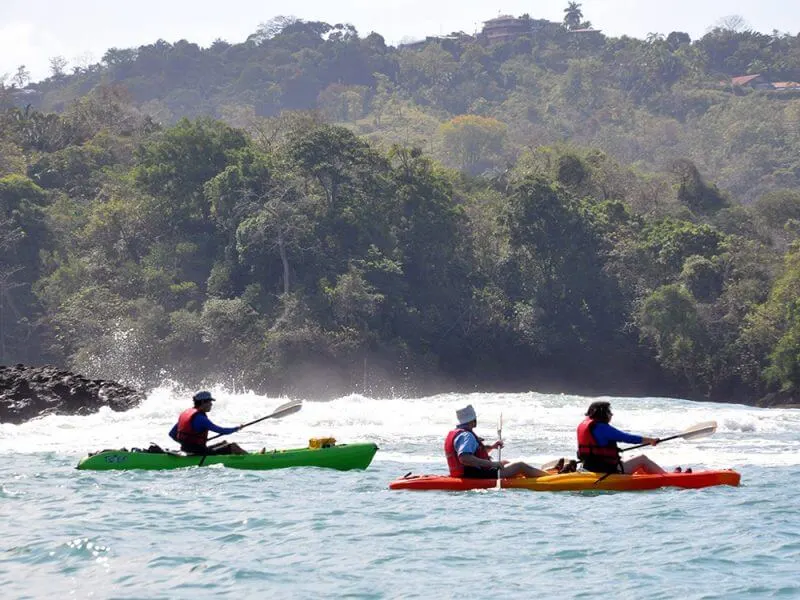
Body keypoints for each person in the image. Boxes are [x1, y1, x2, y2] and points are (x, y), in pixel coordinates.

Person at [577, 401, 683, 475]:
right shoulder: (602, 428)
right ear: (603, 414)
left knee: (632, 456)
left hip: (589, 467)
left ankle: (649, 474)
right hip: (606, 470)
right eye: (609, 412)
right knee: (642, 458)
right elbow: (627, 438)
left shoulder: (585, 426)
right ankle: (667, 477)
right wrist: (651, 440)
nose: (612, 414)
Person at [445, 404, 548, 479]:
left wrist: (492, 447)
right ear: (473, 420)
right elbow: (465, 458)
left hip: (468, 473)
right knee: (520, 465)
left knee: (505, 463)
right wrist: (493, 464)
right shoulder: (466, 436)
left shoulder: (460, 434)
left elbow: (474, 453)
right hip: (474, 474)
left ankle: (533, 474)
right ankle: (547, 477)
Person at [169, 391, 248, 455]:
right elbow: (221, 430)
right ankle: (252, 459)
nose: (211, 404)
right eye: (209, 401)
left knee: (224, 443)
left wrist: (187, 444)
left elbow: (172, 434)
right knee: (233, 446)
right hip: (199, 452)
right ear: (203, 402)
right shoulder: (201, 419)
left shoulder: (186, 414)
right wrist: (236, 429)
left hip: (185, 449)